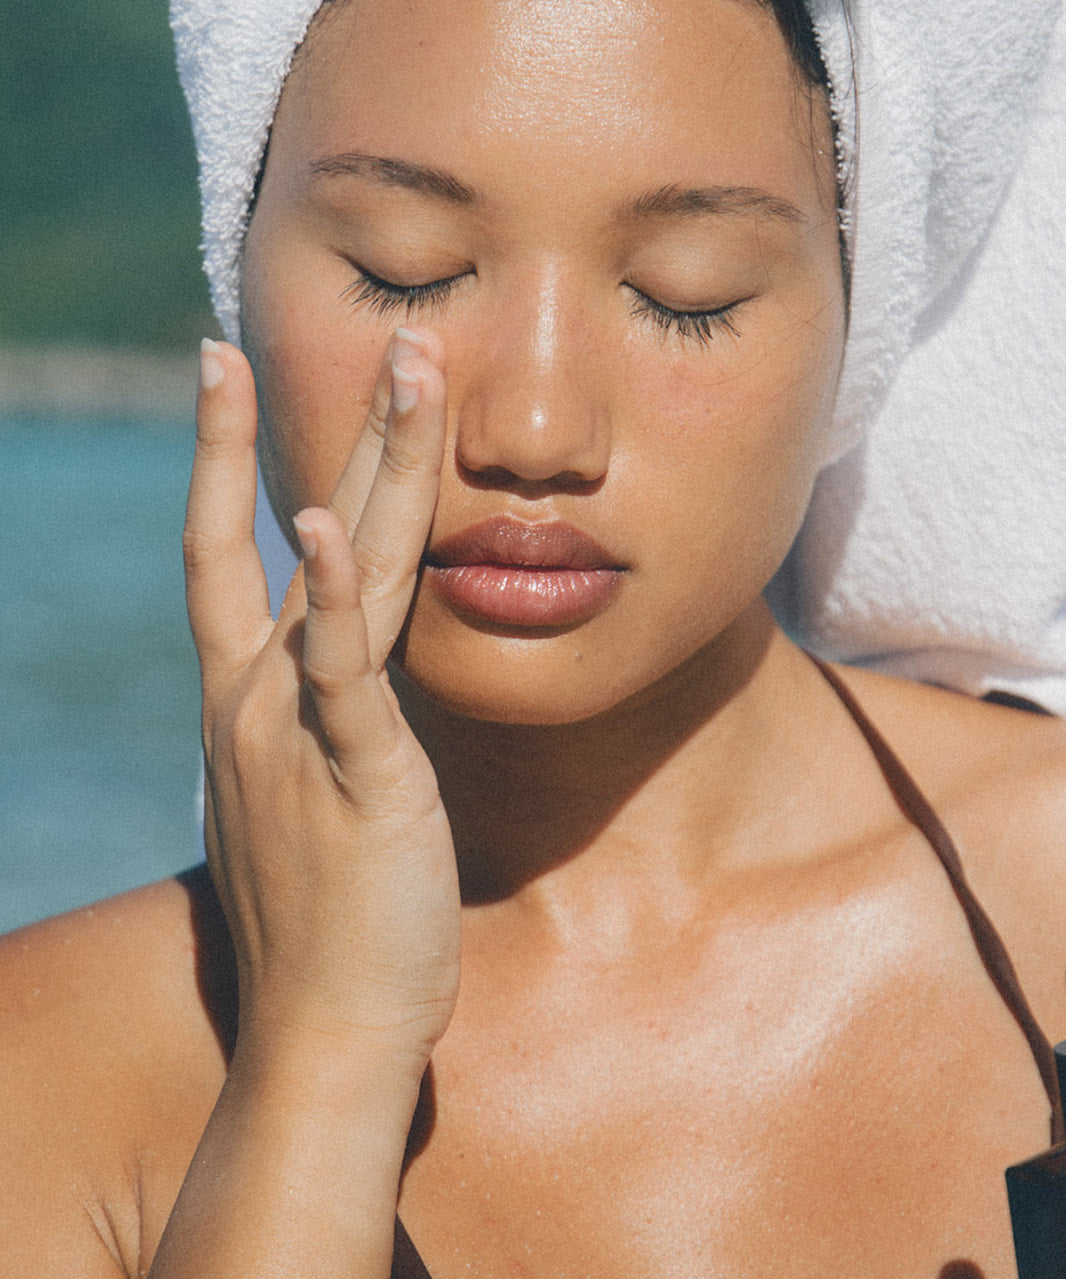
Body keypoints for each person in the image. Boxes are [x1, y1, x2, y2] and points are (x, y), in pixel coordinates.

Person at [3, 0, 1065, 1274]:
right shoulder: (46, 1070)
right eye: (407, 268)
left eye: (688, 295)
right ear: (235, 261)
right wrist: (320, 1056)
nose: (535, 428)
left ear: (861, 313)